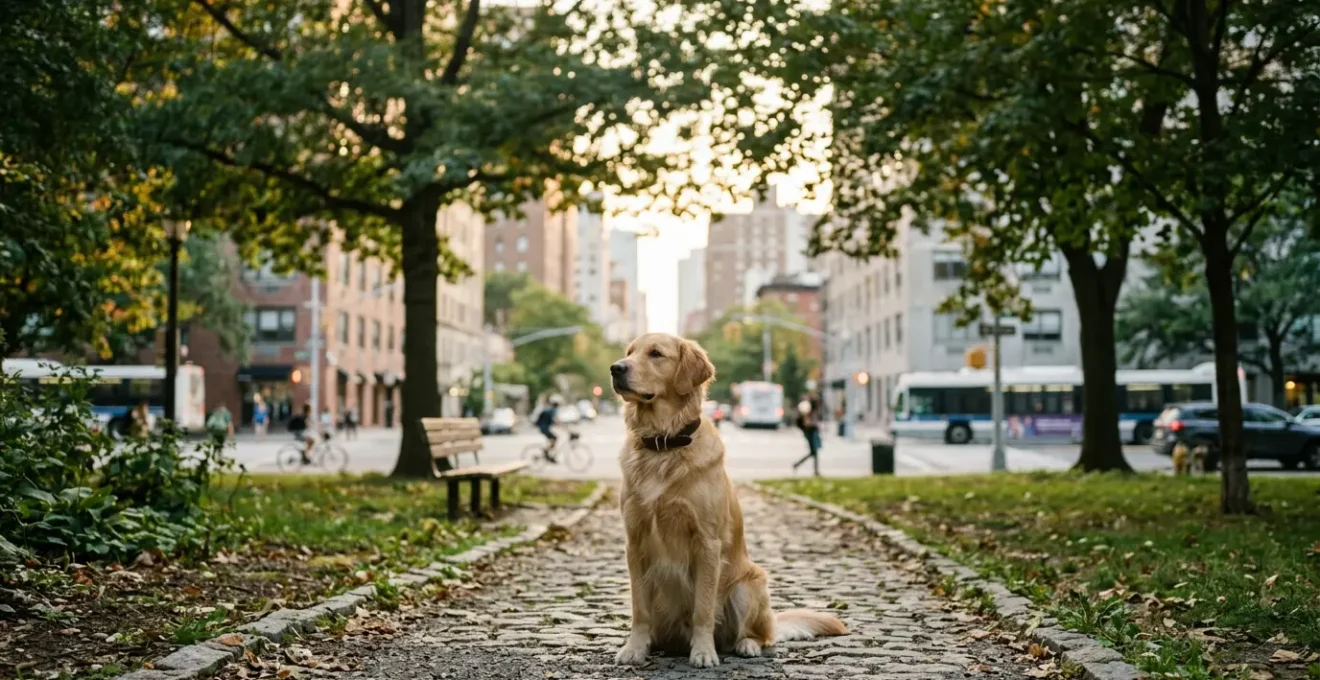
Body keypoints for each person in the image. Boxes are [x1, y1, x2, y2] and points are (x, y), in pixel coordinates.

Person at [792, 395, 823, 476]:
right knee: (813, 452)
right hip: (811, 433)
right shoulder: (808, 412)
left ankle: (798, 465)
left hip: (812, 432)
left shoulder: (812, 412)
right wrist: (814, 425)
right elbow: (807, 424)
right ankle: (798, 465)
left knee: (814, 452)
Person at [536, 397, 561, 463]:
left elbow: (552, 420)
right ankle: (547, 451)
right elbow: (554, 420)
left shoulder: (550, 409)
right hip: (544, 428)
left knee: (553, 439)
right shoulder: (553, 410)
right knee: (555, 438)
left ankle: (549, 453)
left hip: (544, 427)